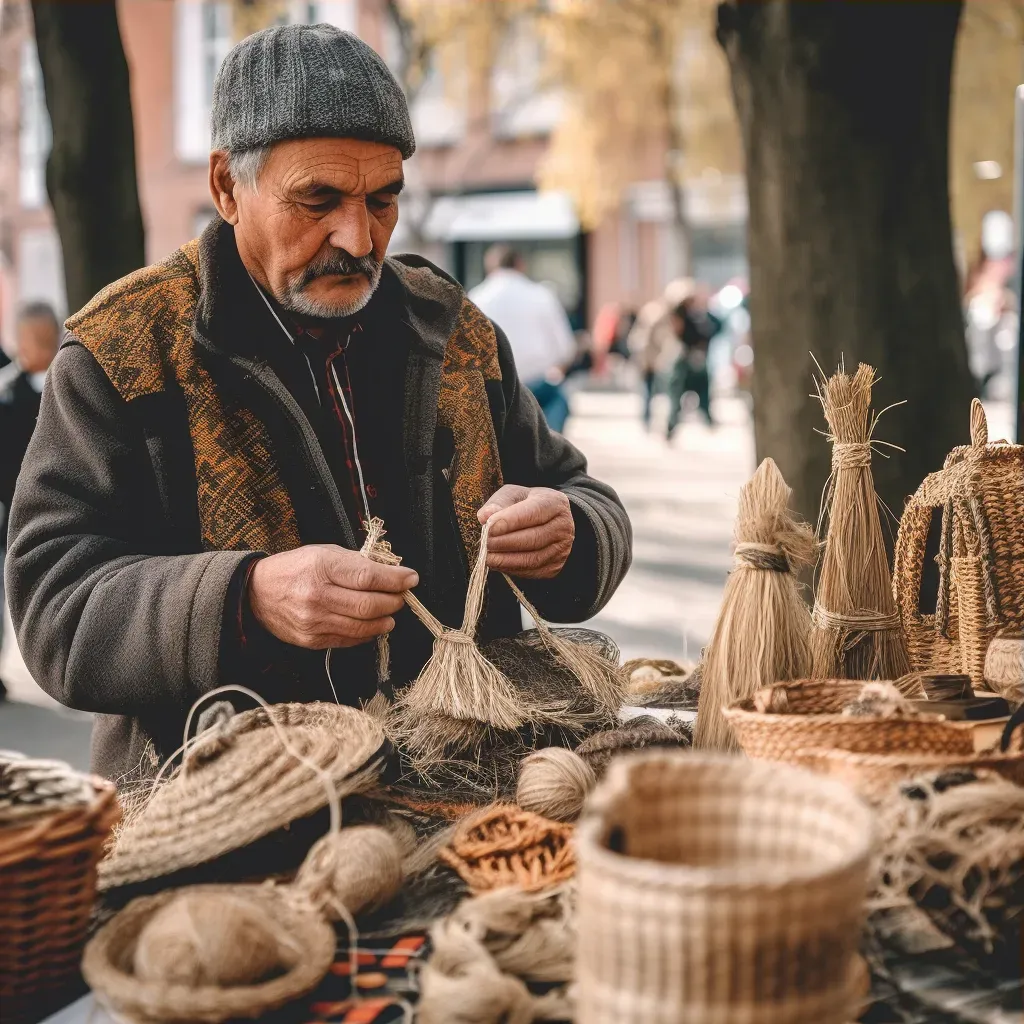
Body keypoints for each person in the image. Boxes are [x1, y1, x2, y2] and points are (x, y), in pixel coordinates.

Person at [5, 25, 632, 781]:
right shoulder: (123, 351)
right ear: (226, 189)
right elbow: (55, 608)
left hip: (474, 784)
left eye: (383, 200)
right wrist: (244, 597)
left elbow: (586, 497)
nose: (359, 238)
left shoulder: (451, 325)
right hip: (230, 815)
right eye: (319, 200)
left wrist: (574, 533)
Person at [0, 303, 61, 702]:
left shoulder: (73, 380)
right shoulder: (7, 394)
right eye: (30, 338)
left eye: (43, 337)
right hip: (14, 513)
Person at [469, 246, 577, 433]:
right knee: (559, 403)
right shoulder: (542, 295)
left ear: (490, 267)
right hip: (537, 386)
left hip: (494, 390)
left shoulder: (476, 298)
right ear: (520, 265)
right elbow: (565, 348)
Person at [665, 285, 722, 436]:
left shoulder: (699, 316)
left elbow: (714, 327)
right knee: (676, 396)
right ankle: (671, 425)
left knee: (702, 393)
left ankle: (708, 419)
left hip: (696, 359)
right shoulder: (680, 316)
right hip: (684, 360)